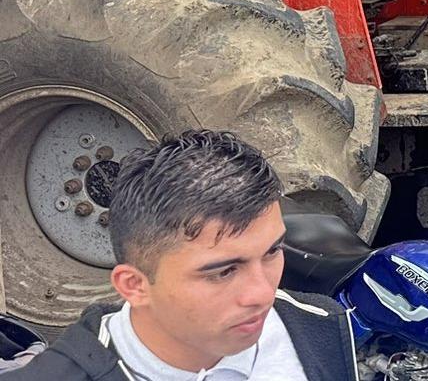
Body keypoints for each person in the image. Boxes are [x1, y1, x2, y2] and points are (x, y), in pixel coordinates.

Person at [15, 130, 355, 381]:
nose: (263, 294)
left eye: (272, 251)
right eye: (223, 272)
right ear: (134, 285)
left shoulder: (319, 324)